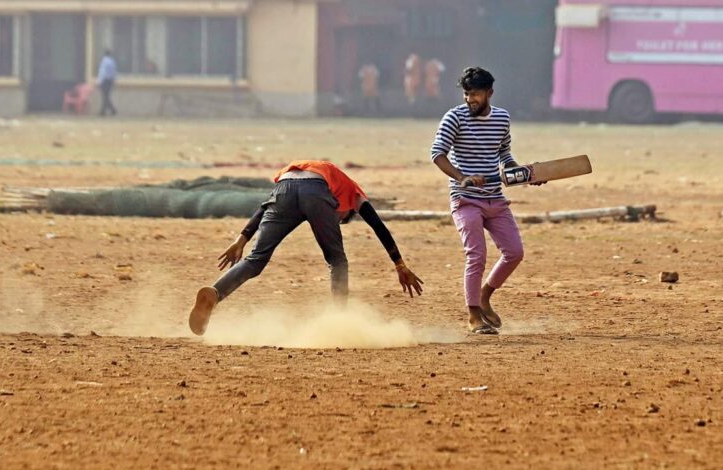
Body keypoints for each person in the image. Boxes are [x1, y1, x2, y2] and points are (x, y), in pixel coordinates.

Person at [188, 160, 424, 336]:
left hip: (284, 187)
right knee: (337, 261)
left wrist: (242, 239)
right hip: (315, 190)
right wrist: (399, 264)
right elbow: (377, 225)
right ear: (348, 211)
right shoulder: (355, 194)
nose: (337, 219)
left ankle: (215, 293)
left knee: (255, 259)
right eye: (341, 218)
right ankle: (340, 321)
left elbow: (265, 205)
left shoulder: (319, 172)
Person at [430, 67, 541, 335]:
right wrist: (462, 177)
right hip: (466, 199)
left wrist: (525, 176)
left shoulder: (502, 118)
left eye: (476, 94)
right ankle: (473, 316)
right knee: (476, 255)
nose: (470, 100)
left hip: (494, 198)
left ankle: (484, 296)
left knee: (515, 253)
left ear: (490, 93)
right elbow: (437, 154)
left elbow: (505, 155)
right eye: (467, 94)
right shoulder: (454, 118)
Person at [96, 50, 118, 116]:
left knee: (105, 96)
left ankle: (110, 110)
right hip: (110, 81)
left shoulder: (104, 61)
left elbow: (102, 72)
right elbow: (114, 72)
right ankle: (107, 110)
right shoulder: (112, 61)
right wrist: (114, 81)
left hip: (104, 81)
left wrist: (99, 81)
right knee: (106, 96)